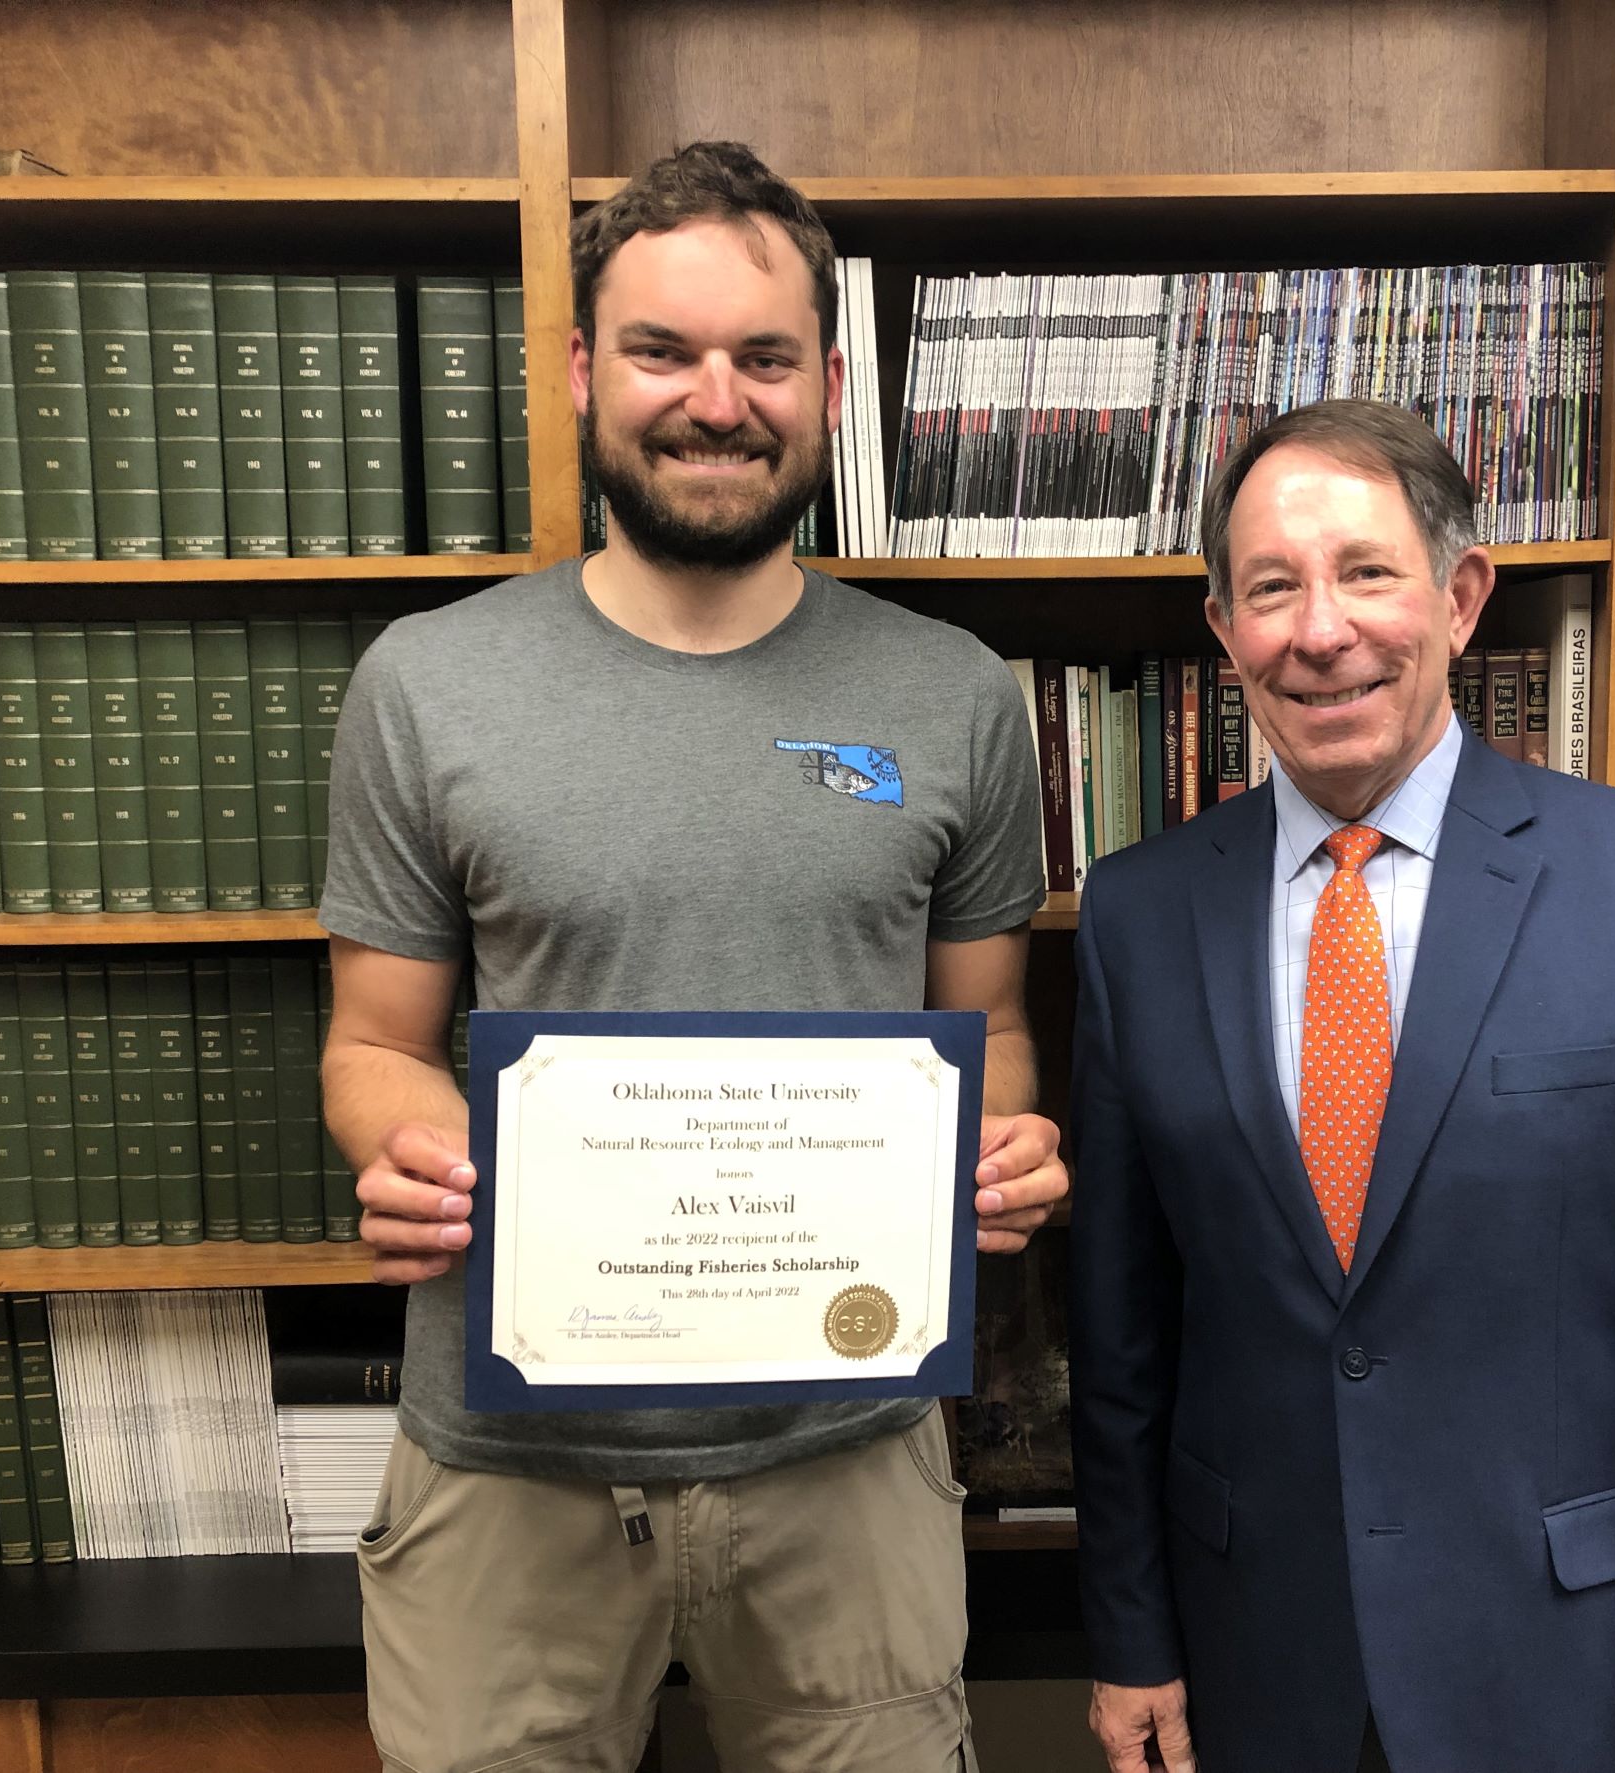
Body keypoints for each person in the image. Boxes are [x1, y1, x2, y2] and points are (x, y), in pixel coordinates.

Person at [319, 139, 1066, 1773]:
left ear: (828, 383)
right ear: (587, 369)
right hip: (506, 1461)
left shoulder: (950, 693)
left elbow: (989, 1025)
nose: (714, 397)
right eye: (663, 349)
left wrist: (1003, 1145)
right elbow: (371, 1041)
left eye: (764, 357)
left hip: (850, 1454)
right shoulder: (428, 683)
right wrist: (409, 1150)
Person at [1067, 399, 1615, 1773]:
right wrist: (1131, 1632)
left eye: (1366, 572)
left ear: (1461, 596)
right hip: (1255, 1671)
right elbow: (1124, 1341)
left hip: (1571, 1673)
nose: (1320, 629)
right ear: (1223, 629)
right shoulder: (1137, 916)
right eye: (1272, 588)